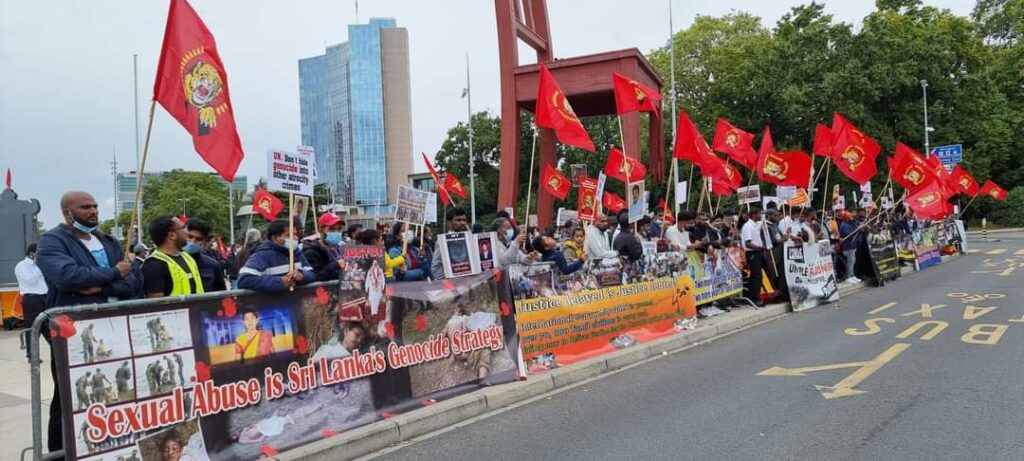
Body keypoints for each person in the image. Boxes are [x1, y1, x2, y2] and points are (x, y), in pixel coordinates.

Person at [36, 190, 141, 455]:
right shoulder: (52, 241)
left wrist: (99, 285)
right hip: (74, 330)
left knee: (114, 390)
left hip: (114, 328)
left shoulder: (108, 240)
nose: (93, 211)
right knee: (69, 394)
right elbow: (67, 276)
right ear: (67, 212)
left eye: (95, 206)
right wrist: (114, 273)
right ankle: (61, 453)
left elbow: (134, 280)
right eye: (85, 207)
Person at [238, 218, 316, 291]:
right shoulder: (262, 254)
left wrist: (302, 276)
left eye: (295, 234)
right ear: (275, 238)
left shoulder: (297, 252)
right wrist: (280, 281)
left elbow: (312, 274)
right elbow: (244, 279)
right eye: (289, 235)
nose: (295, 238)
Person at [142, 215, 205, 298]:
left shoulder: (187, 257)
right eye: (183, 228)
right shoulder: (153, 265)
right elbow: (156, 303)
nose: (187, 232)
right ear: (172, 235)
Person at [185, 218, 228, 292]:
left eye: (198, 239)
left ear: (205, 241)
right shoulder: (171, 262)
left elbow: (221, 293)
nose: (192, 241)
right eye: (190, 237)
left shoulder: (213, 265)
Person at [303, 212, 346, 281]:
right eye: (332, 229)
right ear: (321, 231)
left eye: (339, 229)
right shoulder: (311, 252)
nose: (336, 232)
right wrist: (335, 265)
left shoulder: (339, 248)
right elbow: (316, 277)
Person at [742, 207, 771, 306]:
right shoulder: (748, 226)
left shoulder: (755, 225)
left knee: (759, 275)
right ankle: (754, 299)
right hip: (753, 253)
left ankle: (755, 296)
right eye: (759, 214)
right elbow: (748, 243)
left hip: (758, 252)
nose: (761, 216)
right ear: (754, 215)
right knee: (756, 276)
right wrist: (759, 248)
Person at [430, 207, 470, 280]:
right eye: (458, 220)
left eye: (464, 220)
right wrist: (449, 283)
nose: (463, 223)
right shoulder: (443, 241)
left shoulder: (470, 239)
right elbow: (435, 267)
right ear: (449, 223)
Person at [15, 244, 47, 330]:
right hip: (32, 299)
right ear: (31, 254)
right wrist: (40, 265)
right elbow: (31, 280)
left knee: (49, 328)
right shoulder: (21, 265)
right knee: (33, 328)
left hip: (46, 298)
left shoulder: (41, 265)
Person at [839, 211, 862, 283]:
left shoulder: (849, 224)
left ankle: (852, 275)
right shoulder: (844, 225)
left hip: (852, 245)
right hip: (848, 246)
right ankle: (848, 276)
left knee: (852, 261)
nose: (851, 218)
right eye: (849, 217)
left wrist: (858, 228)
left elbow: (854, 231)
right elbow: (849, 234)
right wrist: (857, 229)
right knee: (850, 262)